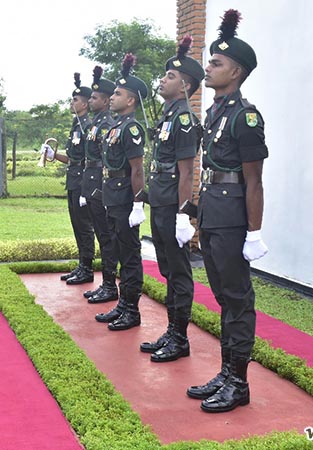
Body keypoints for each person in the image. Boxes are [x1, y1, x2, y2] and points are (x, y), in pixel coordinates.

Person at [185, 9, 269, 413]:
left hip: (234, 219)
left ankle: (239, 383)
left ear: (235, 72)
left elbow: (254, 181)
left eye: (216, 63)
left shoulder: (245, 117)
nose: (209, 68)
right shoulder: (216, 111)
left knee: (237, 299)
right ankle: (226, 372)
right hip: (214, 215)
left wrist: (254, 231)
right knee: (223, 296)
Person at [140, 35, 204, 363]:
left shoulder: (183, 119)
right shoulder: (167, 116)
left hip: (171, 206)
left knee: (179, 272)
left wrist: (183, 214)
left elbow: (187, 171)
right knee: (167, 269)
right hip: (160, 201)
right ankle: (172, 330)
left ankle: (180, 339)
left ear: (185, 86)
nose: (163, 80)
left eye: (170, 76)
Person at [94, 53, 147, 331]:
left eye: (118, 94)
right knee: (118, 249)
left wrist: (138, 204)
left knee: (130, 255)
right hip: (112, 195)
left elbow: (137, 169)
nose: (112, 97)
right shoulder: (116, 126)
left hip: (125, 197)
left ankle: (132, 309)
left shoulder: (132, 128)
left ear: (131, 100)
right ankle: (123, 304)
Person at [81, 66, 119, 304]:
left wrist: (103, 190)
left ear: (105, 101)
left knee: (106, 238)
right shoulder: (96, 123)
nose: (90, 101)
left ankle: (109, 285)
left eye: (95, 98)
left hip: (100, 184)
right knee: (100, 235)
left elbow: (107, 160)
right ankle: (105, 284)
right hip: (91, 181)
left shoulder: (106, 124)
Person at [53, 74, 95, 285]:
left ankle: (87, 268)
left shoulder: (88, 126)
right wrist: (53, 155)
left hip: (82, 182)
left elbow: (90, 159)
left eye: (75, 100)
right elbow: (73, 159)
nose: (71, 103)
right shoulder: (76, 125)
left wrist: (87, 187)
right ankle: (81, 265)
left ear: (85, 104)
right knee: (77, 225)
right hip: (73, 180)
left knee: (85, 226)